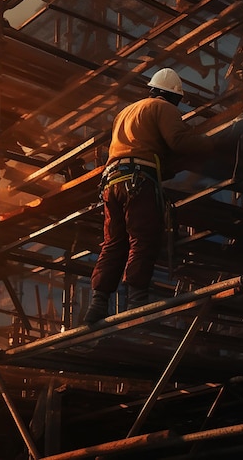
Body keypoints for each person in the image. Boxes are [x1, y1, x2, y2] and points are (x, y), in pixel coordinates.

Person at [83, 68, 217, 324]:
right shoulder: (163, 108)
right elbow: (178, 141)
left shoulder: (125, 112)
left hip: (112, 183)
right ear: (173, 97)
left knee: (113, 243)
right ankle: (136, 301)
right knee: (143, 238)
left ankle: (98, 304)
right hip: (138, 181)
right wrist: (213, 142)